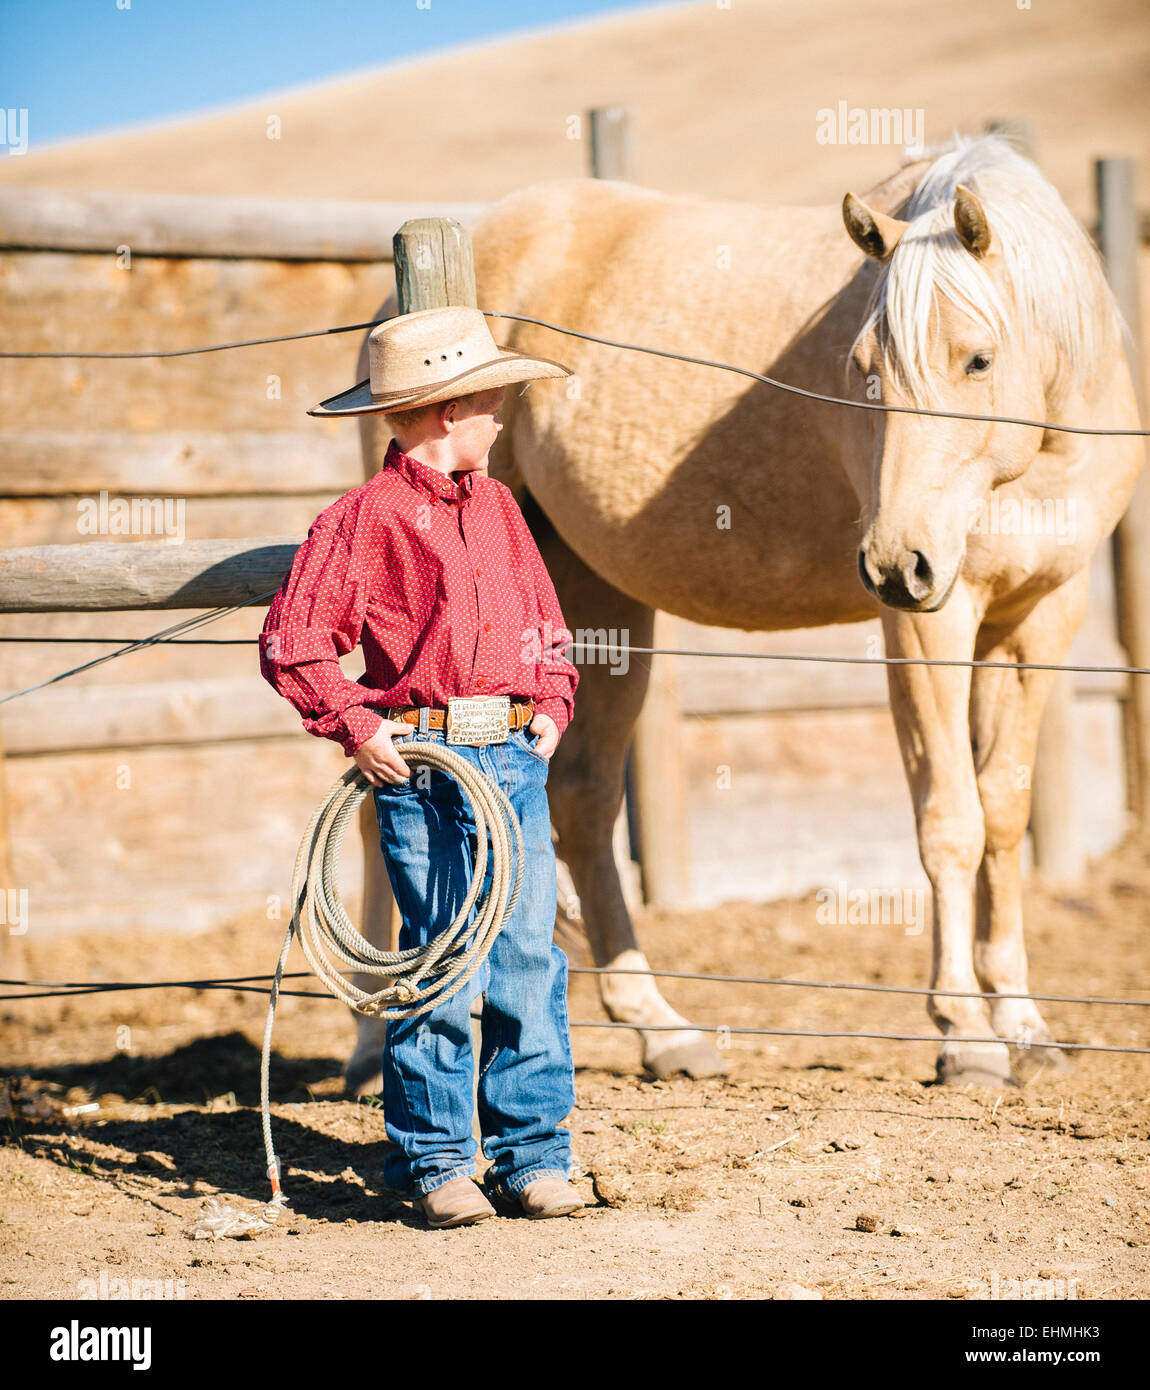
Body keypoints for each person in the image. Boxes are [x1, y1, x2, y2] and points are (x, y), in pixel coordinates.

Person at [259, 306, 584, 1227]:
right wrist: (360, 728)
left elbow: (545, 624)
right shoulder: (364, 521)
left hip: (512, 759)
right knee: (441, 955)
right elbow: (296, 643)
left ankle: (531, 1157)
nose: (501, 415)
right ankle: (436, 1161)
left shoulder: (502, 508)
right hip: (425, 761)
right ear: (446, 411)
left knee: (526, 953)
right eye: (489, 399)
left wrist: (551, 703)